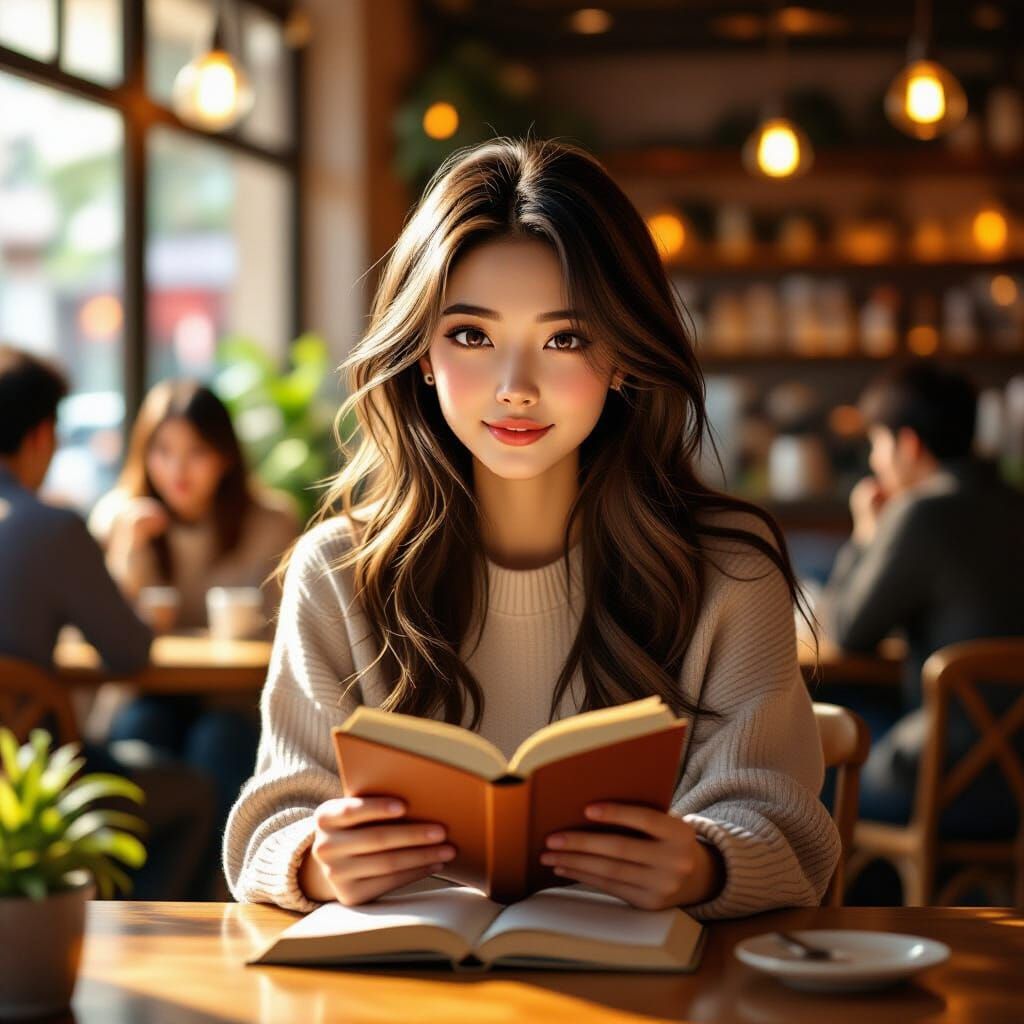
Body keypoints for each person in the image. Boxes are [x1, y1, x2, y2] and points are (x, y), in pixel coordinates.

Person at [223, 137, 840, 919]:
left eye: (565, 339)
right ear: (418, 353)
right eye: (472, 336)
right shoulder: (338, 570)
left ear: (623, 357)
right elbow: (271, 824)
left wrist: (705, 864)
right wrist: (316, 860)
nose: (515, 388)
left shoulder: (728, 572)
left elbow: (787, 826)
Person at [0, 343, 215, 899]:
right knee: (195, 795)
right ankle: (136, 953)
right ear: (42, 436)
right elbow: (129, 652)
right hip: (29, 789)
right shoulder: (48, 527)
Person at [87, 379, 300, 898]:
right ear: (143, 454)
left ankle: (215, 900)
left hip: (232, 696)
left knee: (219, 740)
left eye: (196, 452)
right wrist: (130, 550)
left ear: (225, 457)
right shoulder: (118, 516)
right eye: (163, 452)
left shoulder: (269, 521)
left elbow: (285, 629)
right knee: (142, 734)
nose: (177, 471)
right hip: (146, 692)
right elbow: (104, 631)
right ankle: (132, 906)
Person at [821, 361, 1024, 844]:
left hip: (946, 778)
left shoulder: (921, 514)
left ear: (908, 444)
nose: (875, 462)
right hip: (1017, 776)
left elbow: (847, 631)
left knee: (811, 751)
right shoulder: (1017, 504)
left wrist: (866, 534)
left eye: (878, 444)